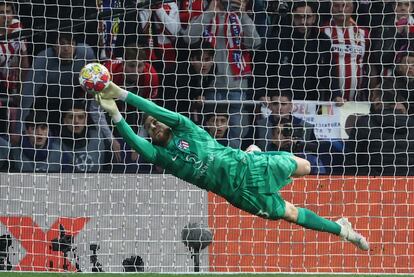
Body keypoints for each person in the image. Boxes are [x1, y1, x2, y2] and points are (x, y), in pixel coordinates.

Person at [93, 81, 370, 251]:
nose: (154, 125)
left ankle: (254, 152)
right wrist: (115, 113)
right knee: (291, 214)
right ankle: (342, 229)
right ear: (151, 137)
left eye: (155, 122)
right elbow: (132, 141)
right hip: (241, 195)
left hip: (251, 167)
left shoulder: (187, 129)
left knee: (307, 167)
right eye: (150, 128)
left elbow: (154, 108)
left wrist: (122, 94)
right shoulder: (164, 157)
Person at [60, 99, 108, 173]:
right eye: (71, 117)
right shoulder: (57, 145)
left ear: (86, 120)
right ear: (65, 121)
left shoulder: (99, 138)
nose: (76, 121)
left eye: (80, 117)